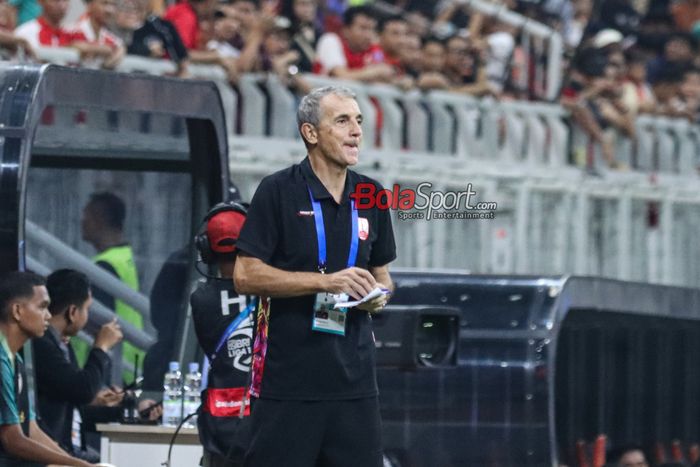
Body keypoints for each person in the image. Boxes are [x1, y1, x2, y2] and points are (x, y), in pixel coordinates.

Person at [234, 86, 397, 467]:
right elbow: (245, 274)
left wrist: (378, 295)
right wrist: (326, 282)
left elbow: (384, 276)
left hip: (355, 386)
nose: (356, 130)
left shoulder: (372, 195)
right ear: (310, 133)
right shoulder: (278, 190)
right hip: (289, 383)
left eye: (358, 120)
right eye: (342, 121)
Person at [0, 271, 96, 467]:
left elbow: (32, 430)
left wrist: (73, 463)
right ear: (17, 311)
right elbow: (13, 440)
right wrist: (80, 466)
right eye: (42, 307)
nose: (49, 315)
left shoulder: (16, 359)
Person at [32, 269, 123, 462]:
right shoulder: (40, 344)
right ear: (73, 312)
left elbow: (74, 394)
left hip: (69, 447)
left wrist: (124, 408)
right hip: (53, 451)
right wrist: (101, 347)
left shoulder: (61, 343)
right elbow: (82, 389)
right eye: (87, 308)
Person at [191, 201, 253, 467]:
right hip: (267, 423)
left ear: (207, 250)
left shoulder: (201, 299)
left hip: (221, 431)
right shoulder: (276, 291)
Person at [80, 191, 143, 384]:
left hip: (110, 365)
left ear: (100, 219)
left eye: (87, 216)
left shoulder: (104, 266)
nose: (82, 222)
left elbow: (97, 322)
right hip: (126, 359)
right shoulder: (124, 256)